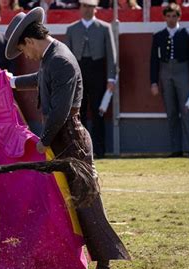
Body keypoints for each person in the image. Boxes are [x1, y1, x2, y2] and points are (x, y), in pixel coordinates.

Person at [4, 7, 130, 269]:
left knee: (87, 203)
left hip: (70, 140)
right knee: (56, 203)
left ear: (30, 41)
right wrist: (10, 82)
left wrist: (43, 140)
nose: (26, 55)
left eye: (23, 49)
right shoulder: (53, 56)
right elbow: (41, 80)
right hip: (63, 138)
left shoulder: (59, 59)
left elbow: (60, 110)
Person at [64, 0, 117, 159]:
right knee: (78, 112)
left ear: (96, 9)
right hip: (78, 71)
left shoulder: (104, 27)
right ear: (80, 8)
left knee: (97, 111)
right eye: (85, 6)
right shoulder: (72, 29)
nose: (87, 9)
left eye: (91, 7)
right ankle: (82, 149)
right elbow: (67, 58)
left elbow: (111, 55)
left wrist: (111, 79)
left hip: (98, 71)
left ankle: (99, 149)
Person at [150, 3, 189, 158]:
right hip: (165, 72)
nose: (171, 19)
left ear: (179, 17)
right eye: (168, 16)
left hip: (183, 71)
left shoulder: (188, 34)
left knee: (186, 110)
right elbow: (154, 61)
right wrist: (153, 81)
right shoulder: (158, 36)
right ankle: (176, 149)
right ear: (164, 17)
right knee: (171, 112)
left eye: (174, 16)